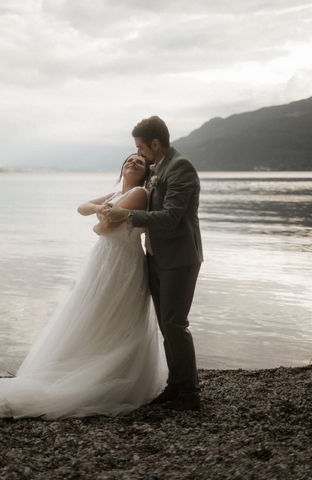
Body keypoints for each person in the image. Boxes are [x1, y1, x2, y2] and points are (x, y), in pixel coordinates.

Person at [0, 154, 167, 419]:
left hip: (121, 262)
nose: (133, 163)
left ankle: (107, 374)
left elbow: (102, 228)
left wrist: (100, 216)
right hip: (105, 259)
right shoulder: (118, 192)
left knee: (110, 314)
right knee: (90, 312)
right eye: (129, 159)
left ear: (146, 171)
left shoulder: (140, 193)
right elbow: (82, 207)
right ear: (122, 167)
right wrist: (97, 208)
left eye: (140, 161)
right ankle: (81, 365)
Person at [103, 116, 203, 411]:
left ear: (155, 144)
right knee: (165, 324)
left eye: (140, 147)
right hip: (156, 256)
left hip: (180, 257)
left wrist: (128, 217)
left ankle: (189, 394)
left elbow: (172, 216)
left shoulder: (180, 167)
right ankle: (175, 385)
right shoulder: (158, 168)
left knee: (175, 324)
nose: (139, 153)